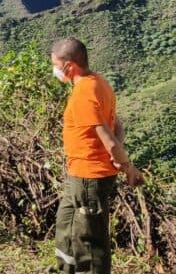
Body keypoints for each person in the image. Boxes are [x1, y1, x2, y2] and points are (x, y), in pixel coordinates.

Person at [51, 38, 144, 274]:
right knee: (66, 226)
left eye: (55, 64)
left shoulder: (84, 92)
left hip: (89, 178)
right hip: (80, 177)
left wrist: (126, 165)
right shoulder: (99, 82)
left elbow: (108, 136)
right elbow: (117, 125)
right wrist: (115, 155)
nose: (54, 70)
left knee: (89, 241)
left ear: (69, 66)